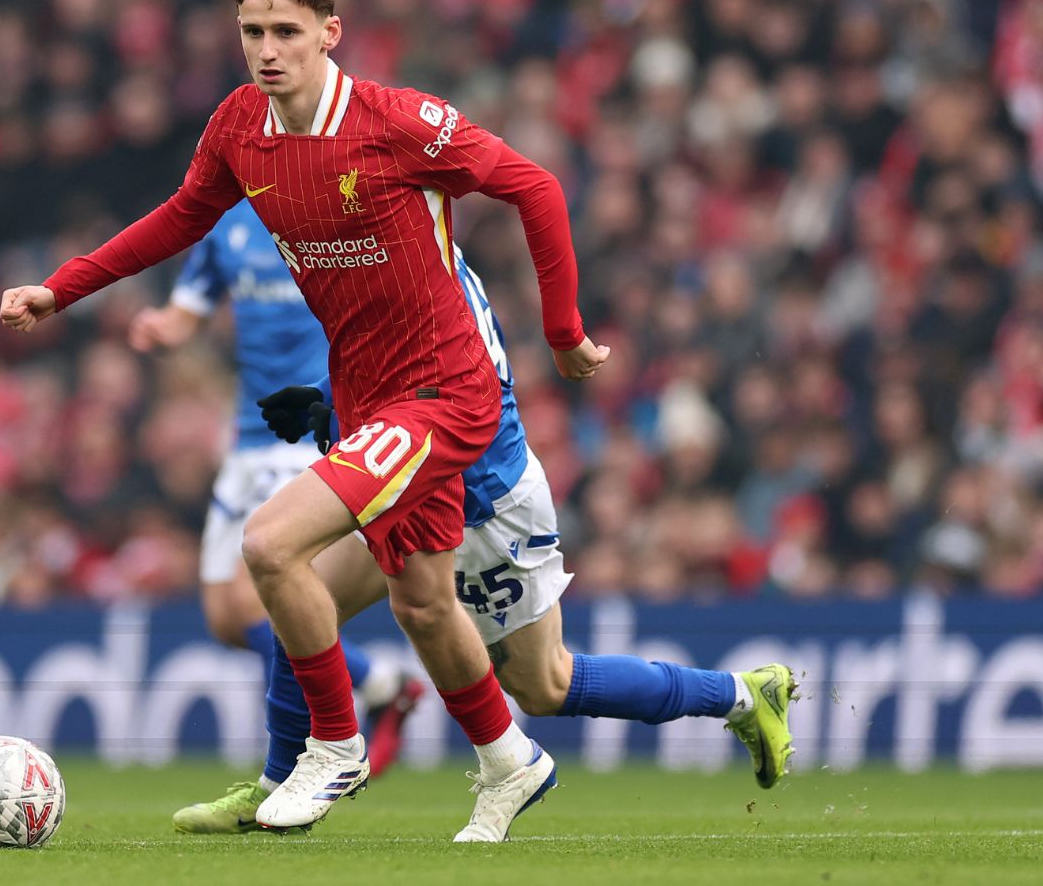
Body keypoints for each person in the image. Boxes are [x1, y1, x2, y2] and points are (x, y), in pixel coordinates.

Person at [3, 0, 604, 841]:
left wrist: (564, 336)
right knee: (423, 604)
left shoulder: (400, 123)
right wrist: (64, 287)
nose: (267, 48)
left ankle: (335, 746)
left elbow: (536, 186)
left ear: (331, 32)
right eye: (252, 30)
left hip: (445, 392)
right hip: (365, 396)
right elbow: (178, 220)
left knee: (273, 547)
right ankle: (510, 762)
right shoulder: (239, 128)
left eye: (286, 29)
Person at [173, 249, 797, 836]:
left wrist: (337, 418)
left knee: (544, 684)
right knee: (298, 589)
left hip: (484, 499)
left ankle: (741, 695)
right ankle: (281, 779)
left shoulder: (422, 271)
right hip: (413, 480)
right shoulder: (405, 255)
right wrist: (331, 399)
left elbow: (440, 398)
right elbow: (394, 373)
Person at [126, 199, 424, 803]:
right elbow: (189, 312)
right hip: (246, 441)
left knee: (256, 599)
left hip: (311, 428)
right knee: (225, 618)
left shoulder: (334, 218)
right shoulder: (224, 230)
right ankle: (382, 683)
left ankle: (298, 762)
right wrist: (162, 326)